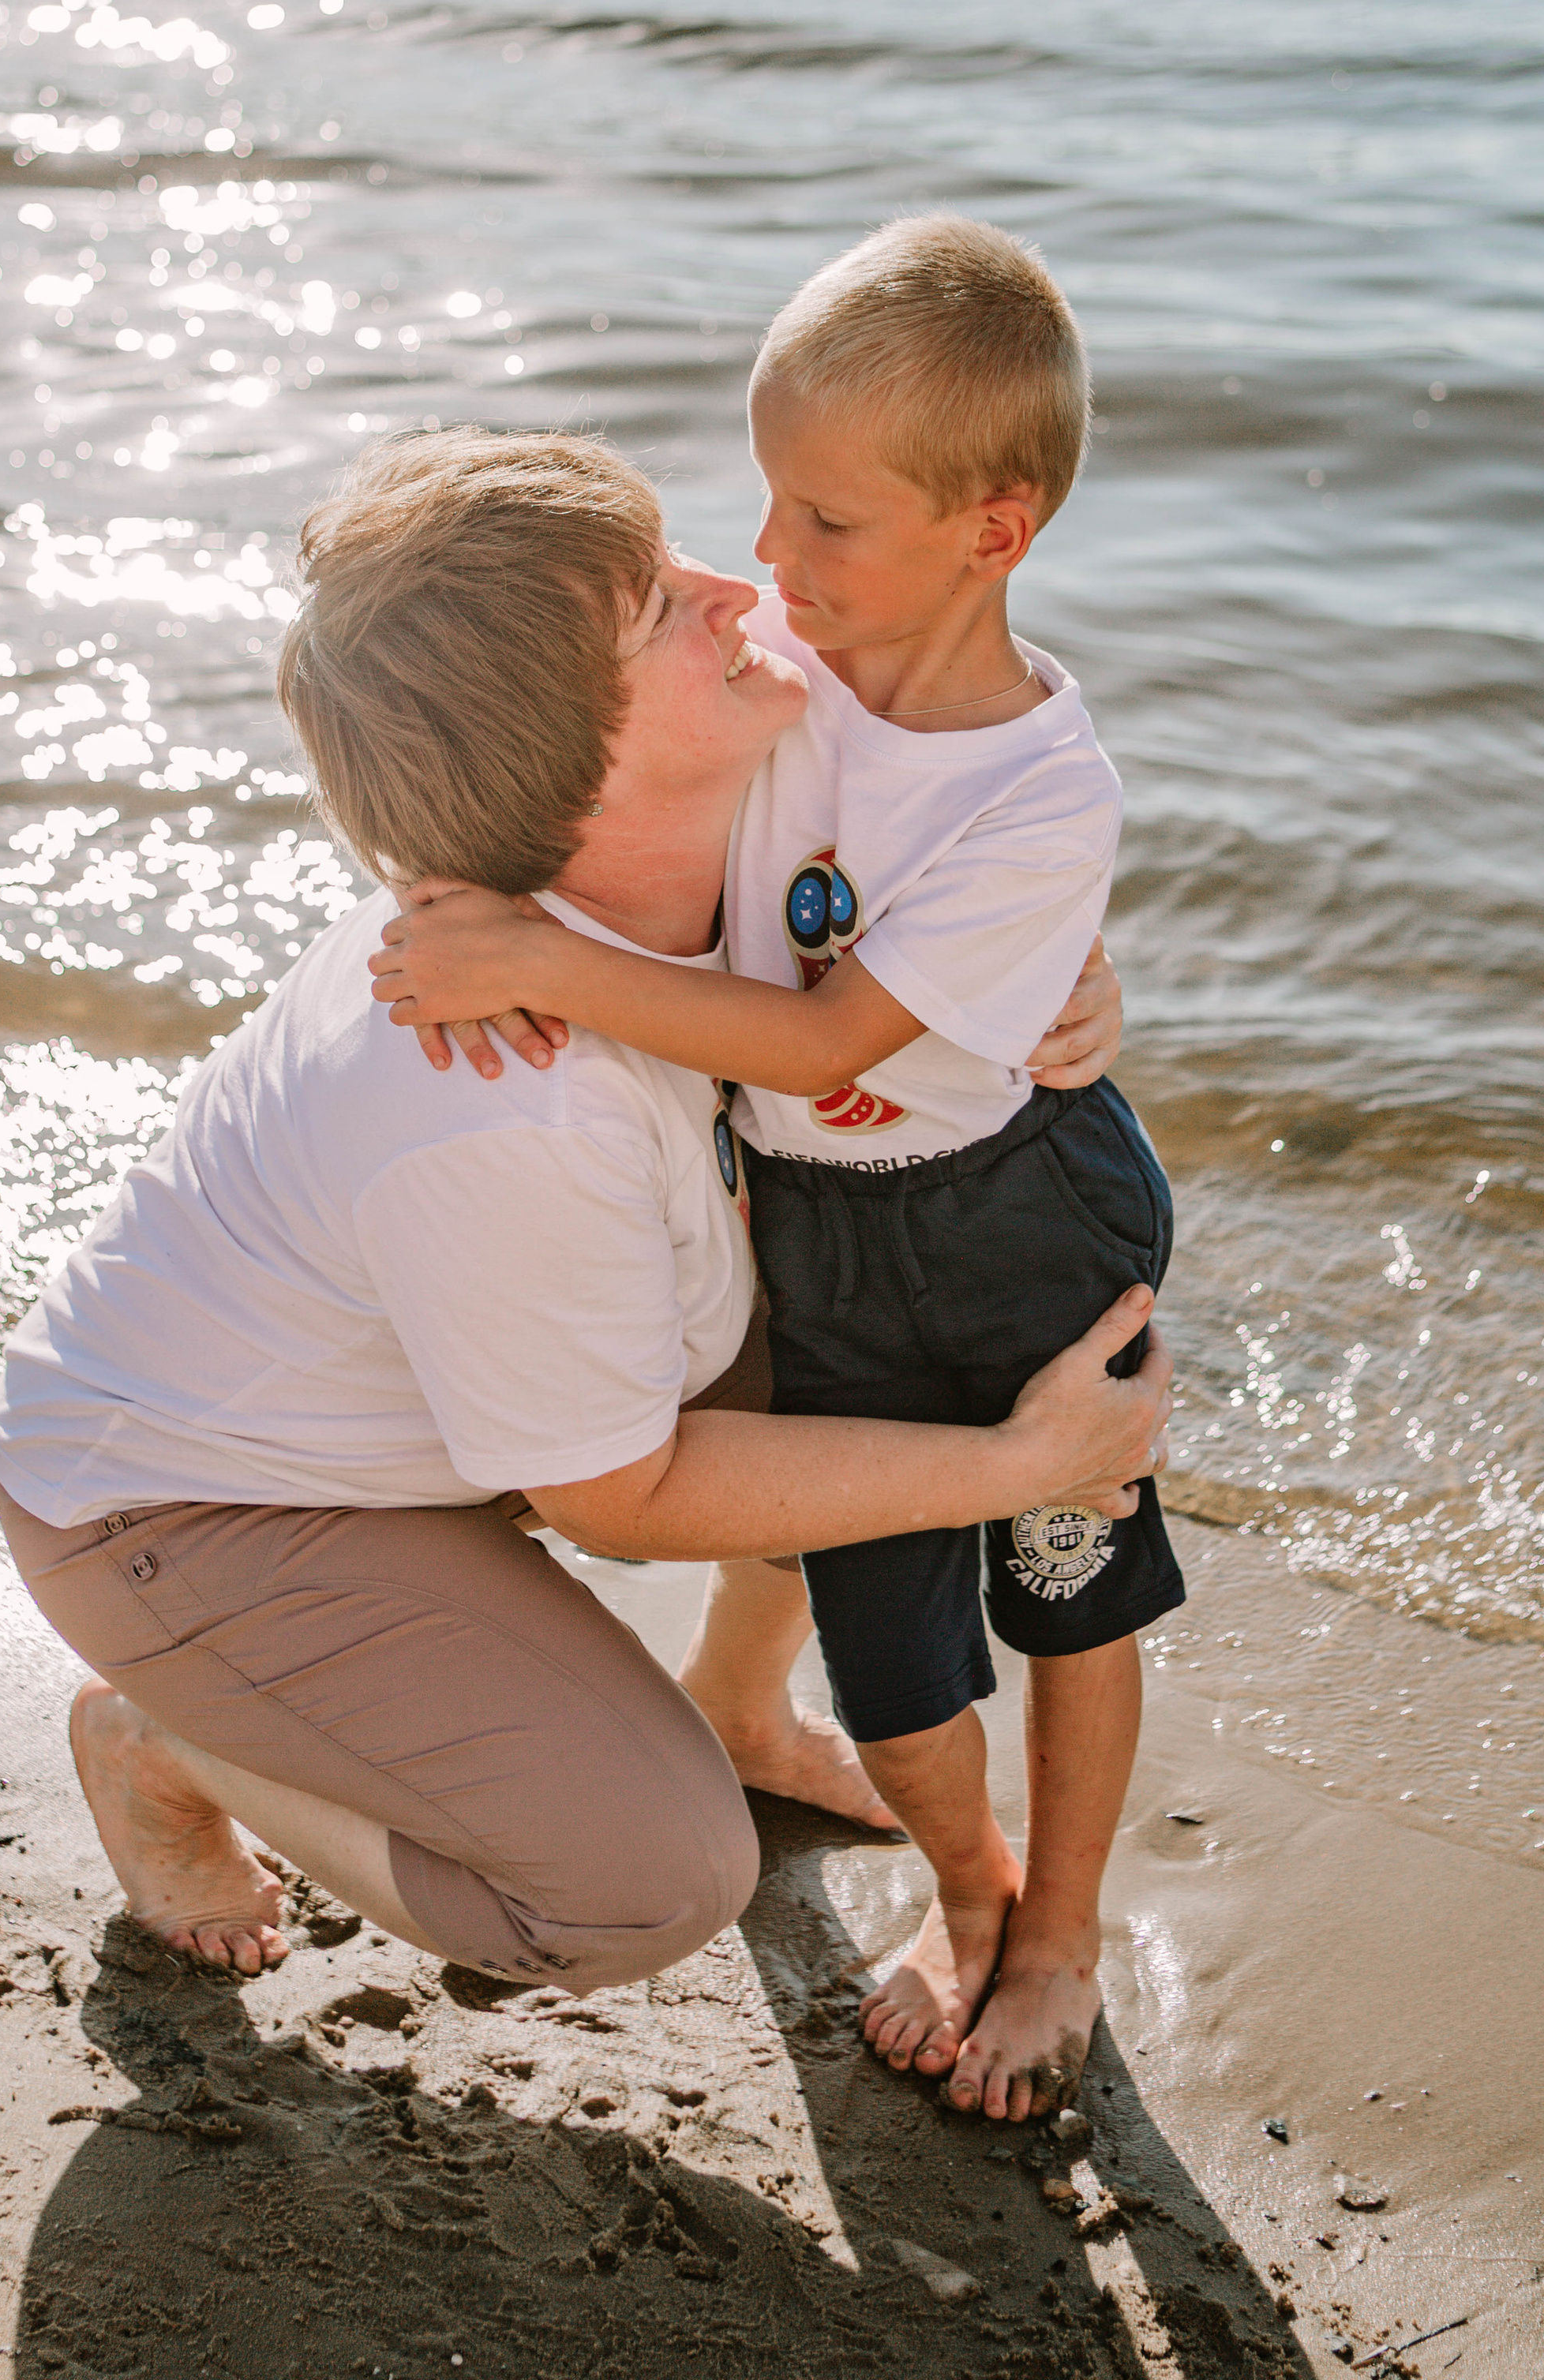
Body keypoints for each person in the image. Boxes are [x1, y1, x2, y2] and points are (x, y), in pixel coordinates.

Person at [0, 425, 1170, 2028]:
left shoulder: (693, 844)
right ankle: (171, 1745)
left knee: (853, 1312)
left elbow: (957, 871)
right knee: (649, 1880)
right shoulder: (503, 1098)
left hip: (417, 1417)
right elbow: (621, 1500)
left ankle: (738, 1707)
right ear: (579, 759)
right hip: (187, 1518)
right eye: (662, 607)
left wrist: (1048, 988)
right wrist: (1019, 1468)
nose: (738, 587)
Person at [367, 220, 1179, 2121]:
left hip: (1018, 1218)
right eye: (765, 495)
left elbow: (822, 1044)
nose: (764, 555)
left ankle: (1057, 1930)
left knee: (1070, 1577)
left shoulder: (1034, 786)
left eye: (822, 518)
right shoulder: (785, 679)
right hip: (812, 1224)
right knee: (892, 1654)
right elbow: (591, 795)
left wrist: (539, 963)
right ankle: (963, 1888)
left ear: (990, 531)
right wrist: (462, 895)